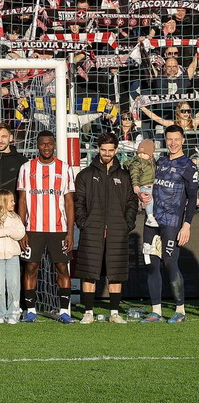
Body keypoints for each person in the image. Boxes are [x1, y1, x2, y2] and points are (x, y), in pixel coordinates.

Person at [74, 133, 138, 325]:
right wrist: (84, 223)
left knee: (115, 273)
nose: (107, 154)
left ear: (116, 150)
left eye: (111, 150)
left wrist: (127, 225)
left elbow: (131, 203)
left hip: (117, 232)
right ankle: (88, 312)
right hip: (91, 231)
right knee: (89, 272)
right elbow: (79, 203)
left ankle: (114, 313)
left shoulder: (124, 176)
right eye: (104, 150)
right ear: (98, 149)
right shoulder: (85, 175)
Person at [17, 130, 75, 324]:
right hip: (33, 228)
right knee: (31, 267)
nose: (47, 147)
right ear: (38, 145)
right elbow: (22, 200)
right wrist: (21, 229)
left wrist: (70, 232)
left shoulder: (64, 168)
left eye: (50, 143)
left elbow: (69, 201)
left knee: (62, 268)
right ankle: (31, 310)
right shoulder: (26, 167)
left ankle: (64, 311)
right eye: (43, 144)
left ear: (55, 145)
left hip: (58, 228)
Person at [141, 125, 198, 323]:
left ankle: (180, 311)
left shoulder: (189, 166)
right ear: (165, 140)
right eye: (169, 139)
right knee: (150, 264)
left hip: (172, 222)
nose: (173, 143)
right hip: (152, 221)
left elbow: (192, 198)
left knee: (170, 262)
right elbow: (151, 189)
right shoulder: (161, 163)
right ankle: (156, 310)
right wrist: (145, 197)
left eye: (176, 139)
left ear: (183, 140)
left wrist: (187, 224)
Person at [0, 189, 25, 324]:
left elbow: (20, 233)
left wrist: (6, 231)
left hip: (12, 256)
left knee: (13, 285)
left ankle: (13, 312)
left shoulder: (15, 218)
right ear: (2, 203)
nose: (14, 203)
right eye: (11, 201)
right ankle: (0, 313)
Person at [127, 138, 158, 228]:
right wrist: (136, 185)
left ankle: (146, 207)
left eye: (144, 153)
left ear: (150, 155)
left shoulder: (152, 162)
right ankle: (150, 217)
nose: (141, 155)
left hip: (152, 184)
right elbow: (134, 174)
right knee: (149, 198)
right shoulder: (137, 163)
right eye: (139, 153)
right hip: (144, 185)